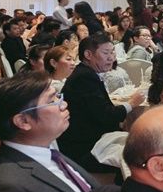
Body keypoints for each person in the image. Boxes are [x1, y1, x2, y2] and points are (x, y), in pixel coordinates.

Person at [58, 33, 144, 172]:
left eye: (112, 52)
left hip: (91, 139)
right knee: (139, 155)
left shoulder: (86, 73)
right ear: (88, 54)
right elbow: (106, 115)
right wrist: (131, 104)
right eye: (105, 53)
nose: (111, 58)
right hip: (85, 148)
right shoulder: (84, 78)